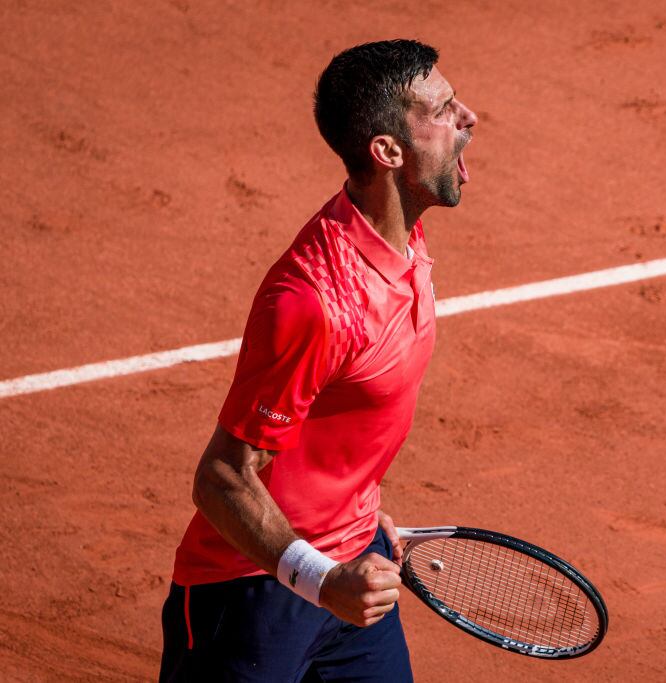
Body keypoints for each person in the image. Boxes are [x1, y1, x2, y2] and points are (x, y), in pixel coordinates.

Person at [159, 39, 477, 682]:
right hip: (251, 594)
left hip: (359, 570)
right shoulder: (313, 302)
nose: (467, 117)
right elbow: (222, 476)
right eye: (442, 110)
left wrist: (355, 509)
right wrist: (320, 576)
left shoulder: (405, 236)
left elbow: (341, 422)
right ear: (386, 151)